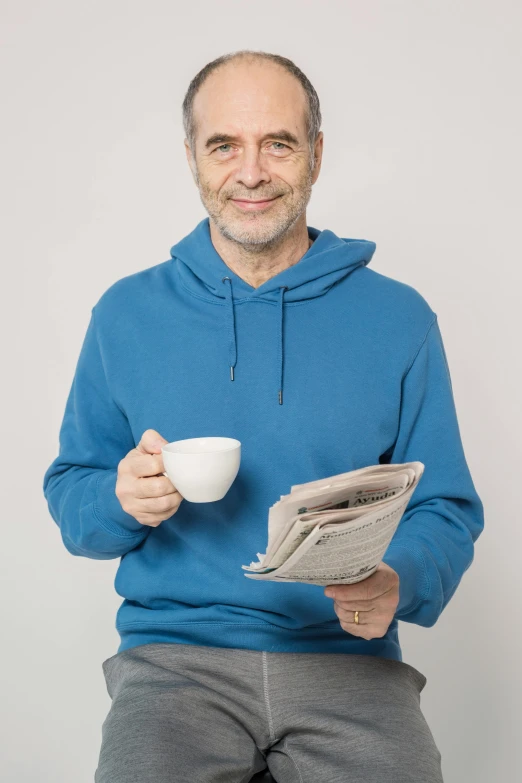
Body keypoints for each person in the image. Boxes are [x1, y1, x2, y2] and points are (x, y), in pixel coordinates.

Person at [42, 49, 484, 783]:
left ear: (315, 153)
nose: (251, 172)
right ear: (192, 156)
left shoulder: (399, 318)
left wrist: (396, 579)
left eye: (277, 143)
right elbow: (72, 494)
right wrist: (119, 498)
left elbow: (447, 507)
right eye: (225, 145)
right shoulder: (125, 314)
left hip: (346, 662)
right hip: (174, 664)